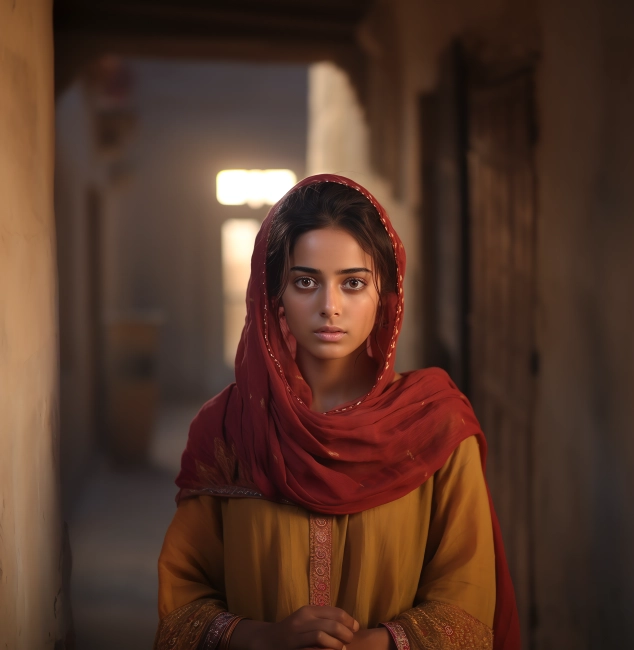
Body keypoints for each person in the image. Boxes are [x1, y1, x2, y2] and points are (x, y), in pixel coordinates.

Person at [154, 174, 520, 650]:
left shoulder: (434, 425)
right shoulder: (228, 427)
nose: (330, 307)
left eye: (353, 283)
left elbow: (468, 602)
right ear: (275, 297)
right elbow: (182, 604)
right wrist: (268, 638)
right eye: (305, 281)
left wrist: (374, 644)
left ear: (384, 297)